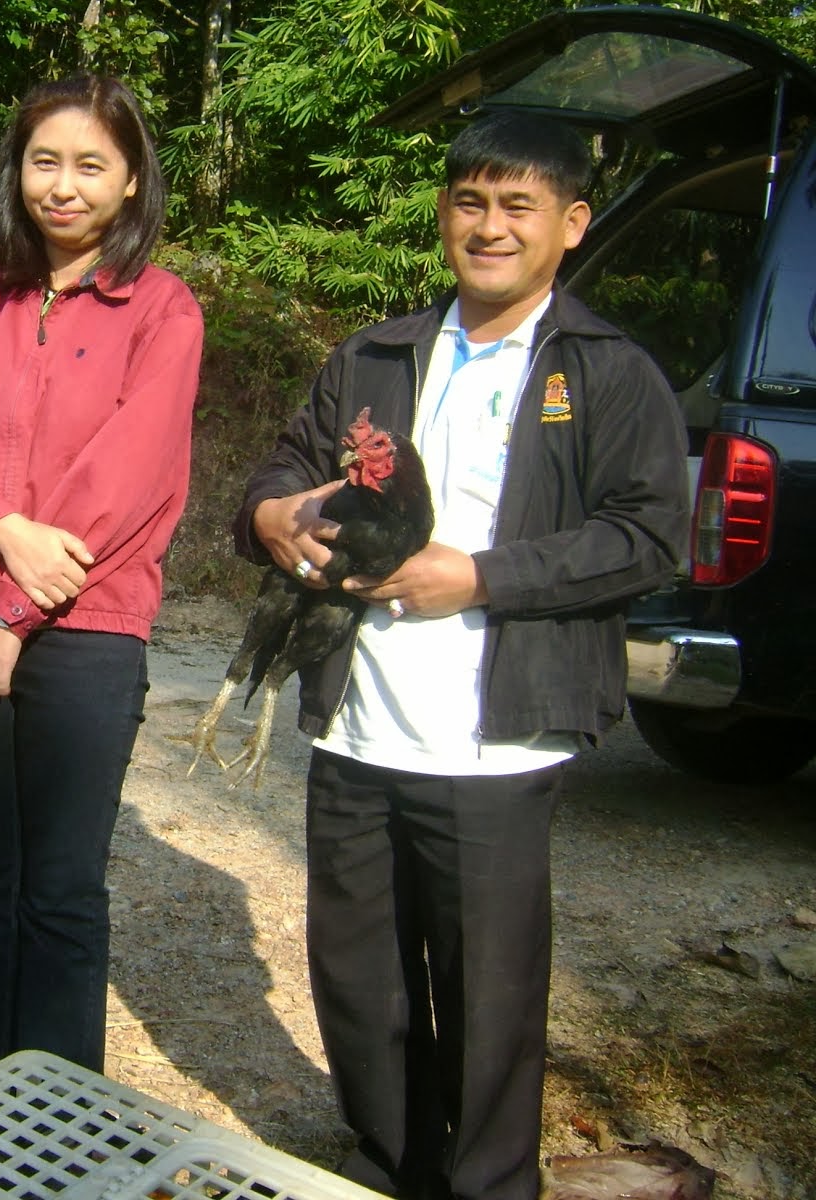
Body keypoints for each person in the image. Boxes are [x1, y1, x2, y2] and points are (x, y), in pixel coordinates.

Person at [232, 112, 689, 1200]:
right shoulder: (375, 355)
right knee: (357, 980)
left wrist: (477, 578)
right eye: (469, 202)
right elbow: (281, 470)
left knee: (485, 1001)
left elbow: (648, 536)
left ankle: (488, 1186)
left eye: (516, 206)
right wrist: (271, 518)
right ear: (444, 213)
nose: (488, 227)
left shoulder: (609, 373)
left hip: (495, 742)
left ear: (569, 224)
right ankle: (391, 1166)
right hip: (356, 724)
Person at [0, 73, 203, 1086]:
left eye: (88, 166)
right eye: (42, 161)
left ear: (128, 185)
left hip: (84, 634)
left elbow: (128, 476)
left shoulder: (160, 311)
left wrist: (16, 613)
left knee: (61, 894)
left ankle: (58, 1136)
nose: (61, 187)